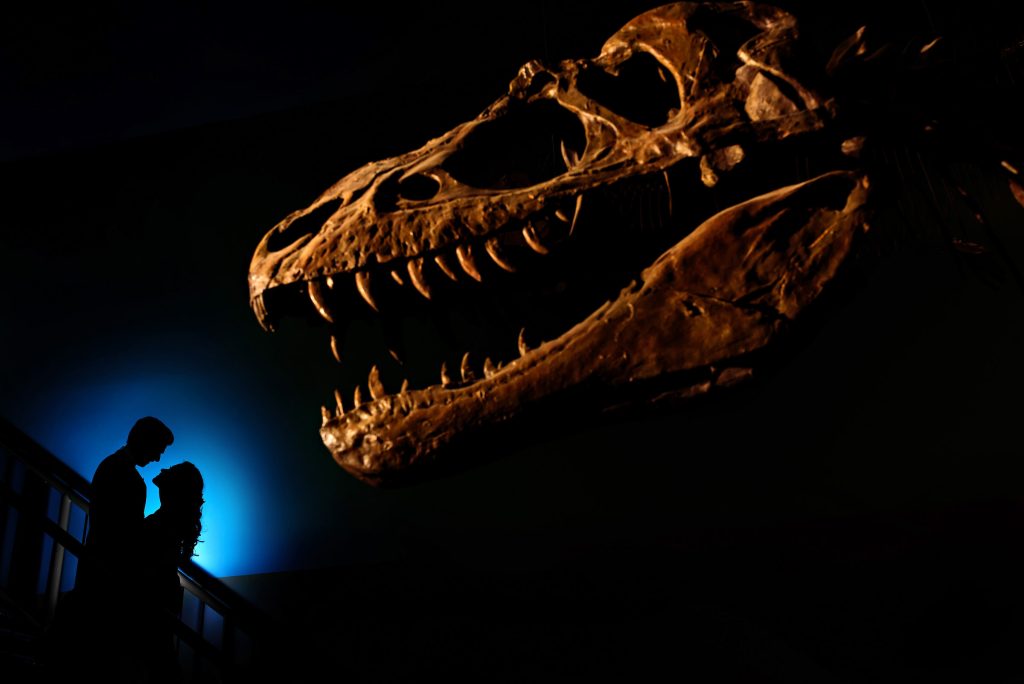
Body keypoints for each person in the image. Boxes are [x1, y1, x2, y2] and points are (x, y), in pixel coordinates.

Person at [135, 461, 205, 683]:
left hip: (154, 593)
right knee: (160, 657)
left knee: (159, 659)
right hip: (164, 592)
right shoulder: (174, 520)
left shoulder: (165, 522)